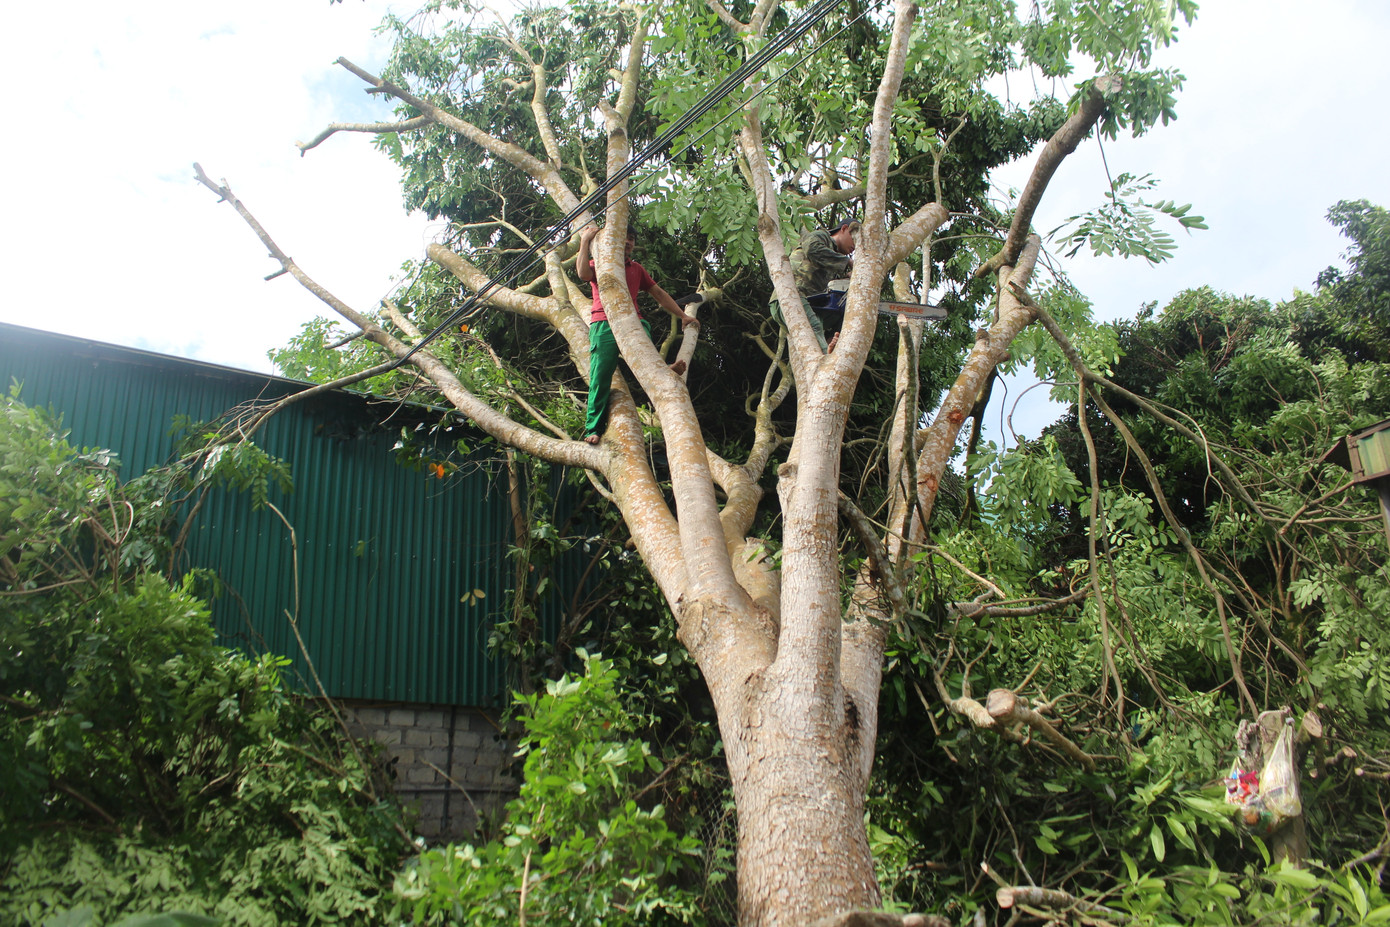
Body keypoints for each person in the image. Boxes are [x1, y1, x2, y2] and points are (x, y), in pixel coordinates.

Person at [576, 224, 699, 445]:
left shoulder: (636, 269)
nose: (628, 242)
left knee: (644, 337)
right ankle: (593, 427)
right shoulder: (601, 264)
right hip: (603, 322)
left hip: (632, 320)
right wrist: (585, 241)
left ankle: (661, 368)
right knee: (600, 375)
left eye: (632, 239)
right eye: (624, 237)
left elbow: (658, 293)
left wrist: (683, 316)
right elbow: (583, 273)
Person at [769, 219, 859, 352]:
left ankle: (829, 346)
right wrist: (848, 262)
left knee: (844, 308)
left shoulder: (835, 263)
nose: (855, 246)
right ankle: (824, 358)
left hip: (812, 305)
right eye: (855, 239)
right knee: (814, 329)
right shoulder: (822, 237)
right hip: (790, 297)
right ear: (844, 229)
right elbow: (812, 249)